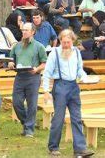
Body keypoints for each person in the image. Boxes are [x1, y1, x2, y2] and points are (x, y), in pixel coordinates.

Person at [42, 29, 94, 157]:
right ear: (60, 41)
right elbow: (47, 73)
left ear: (73, 41)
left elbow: (79, 70)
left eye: (68, 42)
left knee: (77, 118)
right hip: (60, 86)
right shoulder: (54, 53)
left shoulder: (76, 52)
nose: (66, 45)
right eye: (64, 42)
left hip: (73, 87)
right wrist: (46, 91)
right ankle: (53, 147)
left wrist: (84, 77)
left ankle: (80, 149)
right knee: (58, 118)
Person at [8, 23, 47, 137]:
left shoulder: (39, 46)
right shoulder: (16, 46)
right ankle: (27, 123)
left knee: (32, 104)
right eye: (23, 30)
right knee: (16, 102)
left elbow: (44, 63)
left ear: (33, 32)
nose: (24, 32)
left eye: (26, 30)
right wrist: (10, 63)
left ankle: (29, 129)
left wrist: (37, 69)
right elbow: (11, 60)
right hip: (20, 76)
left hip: (33, 77)